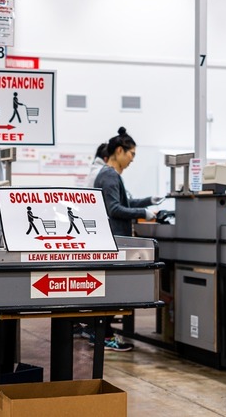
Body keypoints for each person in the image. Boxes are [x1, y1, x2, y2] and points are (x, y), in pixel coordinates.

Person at [91, 126, 162, 351]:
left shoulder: (109, 175)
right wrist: (143, 214)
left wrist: (149, 201)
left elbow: (124, 203)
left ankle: (103, 334)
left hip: (112, 237)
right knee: (112, 290)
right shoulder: (110, 175)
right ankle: (104, 336)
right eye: (131, 154)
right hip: (113, 239)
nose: (132, 160)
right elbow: (114, 209)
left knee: (112, 289)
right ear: (120, 151)